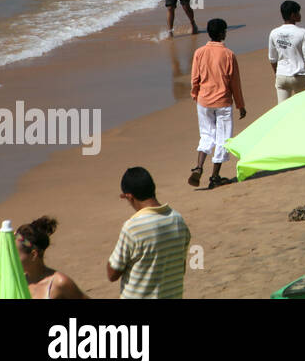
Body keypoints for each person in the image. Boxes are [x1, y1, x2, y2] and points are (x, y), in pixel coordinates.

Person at [107, 167, 191, 299]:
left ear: (129, 196)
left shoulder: (132, 227)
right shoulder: (178, 220)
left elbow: (112, 274)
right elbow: (181, 266)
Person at [188, 18, 245, 189]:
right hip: (223, 101)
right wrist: (240, 104)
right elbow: (235, 83)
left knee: (206, 135)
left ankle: (199, 166)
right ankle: (215, 176)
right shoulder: (229, 54)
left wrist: (195, 94)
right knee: (223, 138)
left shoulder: (199, 52)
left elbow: (195, 79)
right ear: (221, 33)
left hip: (204, 100)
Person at [16, 217, 87, 299]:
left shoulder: (59, 283)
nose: (12, 259)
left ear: (34, 255)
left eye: (16, 254)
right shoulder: (17, 282)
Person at [268, 0, 305, 103]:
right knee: (303, 108)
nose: (300, 15)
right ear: (292, 15)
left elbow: (272, 58)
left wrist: (278, 73)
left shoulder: (274, 33)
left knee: (282, 111)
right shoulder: (303, 33)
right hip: (298, 76)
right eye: (298, 12)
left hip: (281, 77)